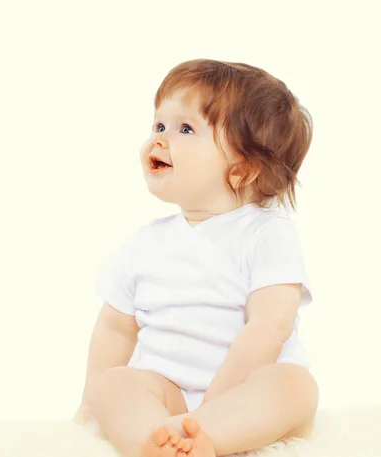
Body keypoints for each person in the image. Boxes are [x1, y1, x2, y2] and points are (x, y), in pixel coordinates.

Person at [73, 59, 318, 457]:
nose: (159, 140)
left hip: (244, 396)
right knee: (115, 385)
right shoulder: (144, 243)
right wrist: (92, 398)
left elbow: (270, 326)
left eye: (185, 128)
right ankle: (159, 441)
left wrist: (213, 408)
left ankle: (205, 435)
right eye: (158, 125)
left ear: (242, 170)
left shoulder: (266, 233)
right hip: (166, 396)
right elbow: (116, 328)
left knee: (295, 387)